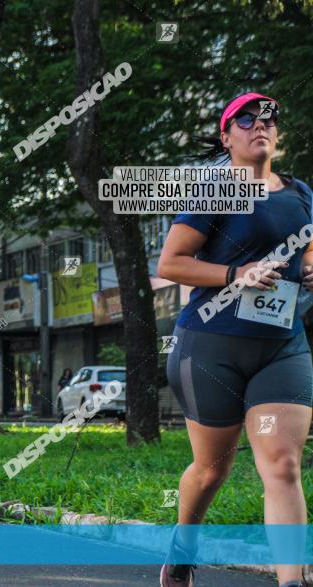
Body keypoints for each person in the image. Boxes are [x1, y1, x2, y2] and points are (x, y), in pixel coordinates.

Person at [158, 93, 313, 587]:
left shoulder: (301, 193)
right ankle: (183, 548)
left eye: (269, 118)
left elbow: (309, 257)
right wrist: (235, 272)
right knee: (211, 470)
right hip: (211, 347)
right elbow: (171, 263)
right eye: (244, 120)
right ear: (227, 137)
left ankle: (291, 581)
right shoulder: (213, 191)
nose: (259, 125)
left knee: (283, 464)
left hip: (282, 346)